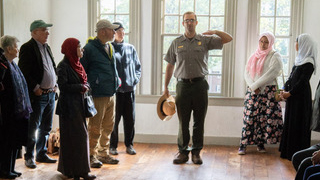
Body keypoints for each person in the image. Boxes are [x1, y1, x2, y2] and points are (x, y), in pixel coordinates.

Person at [163, 11, 232, 165]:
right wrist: (165, 86)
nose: (189, 23)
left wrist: (214, 31)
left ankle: (196, 153)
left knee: (198, 122)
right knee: (183, 122)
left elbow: (228, 39)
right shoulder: (176, 42)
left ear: (196, 22)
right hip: (182, 86)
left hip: (200, 86)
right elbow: (170, 65)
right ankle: (182, 153)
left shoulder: (205, 40)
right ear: (183, 23)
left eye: (192, 20)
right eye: (186, 20)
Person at [80, 19, 121, 168]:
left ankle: (104, 153)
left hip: (111, 92)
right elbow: (82, 71)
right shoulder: (89, 49)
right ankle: (91, 155)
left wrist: (117, 80)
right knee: (95, 127)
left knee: (108, 126)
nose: (114, 33)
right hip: (97, 94)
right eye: (112, 30)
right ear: (103, 31)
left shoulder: (109, 46)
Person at [18, 20, 58, 168]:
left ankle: (41, 153)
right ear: (34, 32)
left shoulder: (46, 47)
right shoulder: (27, 48)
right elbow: (24, 71)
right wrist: (35, 87)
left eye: (47, 30)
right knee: (33, 127)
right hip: (38, 95)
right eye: (44, 30)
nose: (47, 33)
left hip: (50, 94)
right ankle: (29, 156)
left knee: (46, 127)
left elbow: (51, 68)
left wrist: (55, 84)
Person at [56, 38, 96, 180]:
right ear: (72, 49)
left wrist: (86, 86)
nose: (82, 50)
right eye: (79, 47)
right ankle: (78, 171)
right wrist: (81, 87)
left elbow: (84, 81)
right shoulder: (63, 66)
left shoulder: (77, 64)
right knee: (76, 138)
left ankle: (76, 171)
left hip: (78, 105)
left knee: (77, 138)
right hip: (69, 107)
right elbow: (63, 87)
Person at [238, 32, 284, 155]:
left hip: (267, 92)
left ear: (271, 43)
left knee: (264, 118)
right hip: (253, 91)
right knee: (249, 118)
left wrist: (256, 85)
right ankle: (243, 144)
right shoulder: (254, 55)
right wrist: (253, 87)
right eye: (261, 41)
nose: (263, 44)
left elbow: (272, 73)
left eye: (266, 42)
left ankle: (260, 143)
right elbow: (246, 73)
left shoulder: (275, 56)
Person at [279, 34, 318, 161]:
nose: (295, 44)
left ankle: (297, 153)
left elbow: (302, 82)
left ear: (303, 44)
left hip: (301, 98)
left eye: (297, 42)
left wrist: (289, 93)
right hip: (292, 96)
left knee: (299, 122)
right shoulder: (299, 60)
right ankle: (288, 151)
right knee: (291, 122)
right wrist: (284, 88)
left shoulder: (309, 63)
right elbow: (291, 77)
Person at [0, 35, 32, 179]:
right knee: (7, 141)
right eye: (16, 46)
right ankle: (4, 170)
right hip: (7, 109)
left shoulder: (12, 64)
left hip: (16, 110)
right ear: (8, 48)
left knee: (14, 140)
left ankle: (11, 168)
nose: (18, 49)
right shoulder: (2, 64)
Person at [109, 22, 141, 155]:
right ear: (113, 33)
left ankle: (129, 145)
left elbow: (138, 67)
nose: (122, 33)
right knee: (113, 121)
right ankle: (112, 146)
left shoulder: (130, 48)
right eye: (119, 31)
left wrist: (134, 80)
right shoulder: (109, 48)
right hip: (115, 92)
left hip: (129, 91)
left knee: (130, 120)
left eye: (123, 30)